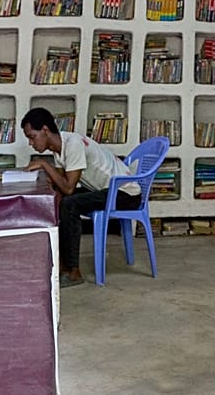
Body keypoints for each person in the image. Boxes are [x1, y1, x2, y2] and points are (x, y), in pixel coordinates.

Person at [21, 107, 140, 288]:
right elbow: (61, 185)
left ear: (45, 130)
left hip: (126, 194)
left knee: (70, 204)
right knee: (59, 202)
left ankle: (74, 271)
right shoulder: (60, 146)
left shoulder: (73, 144)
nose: (31, 143)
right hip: (105, 190)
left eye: (32, 136)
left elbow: (68, 188)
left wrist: (45, 165)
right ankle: (60, 263)